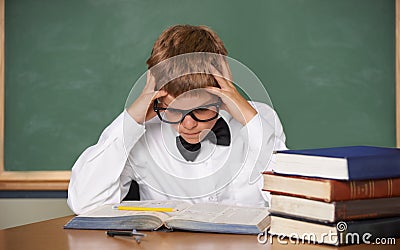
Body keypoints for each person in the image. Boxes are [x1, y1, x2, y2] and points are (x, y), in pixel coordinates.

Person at [67, 25, 287, 215]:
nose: (188, 124)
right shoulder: (142, 137)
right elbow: (86, 203)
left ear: (223, 95)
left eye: (201, 110)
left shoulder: (262, 120)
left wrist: (250, 120)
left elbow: (291, 203)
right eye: (173, 111)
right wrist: (131, 120)